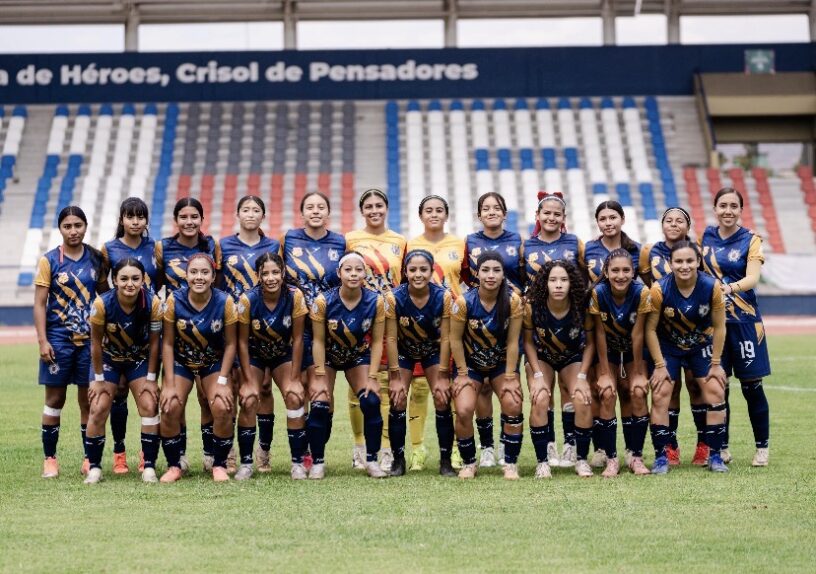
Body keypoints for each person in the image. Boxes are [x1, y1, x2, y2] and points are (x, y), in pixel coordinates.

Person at [35, 206, 108, 478]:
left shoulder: (96, 258)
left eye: (78, 225)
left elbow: (105, 298)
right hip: (58, 340)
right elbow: (40, 304)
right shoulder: (50, 261)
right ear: (60, 229)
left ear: (86, 226)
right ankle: (50, 459)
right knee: (55, 399)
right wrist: (43, 341)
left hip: (90, 342)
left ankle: (89, 459)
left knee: (88, 401)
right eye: (68, 226)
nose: (73, 231)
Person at [700, 188, 771, 467]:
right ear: (715, 208)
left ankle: (762, 448)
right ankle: (723, 447)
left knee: (752, 387)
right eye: (723, 205)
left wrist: (727, 289)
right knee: (720, 386)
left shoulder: (751, 239)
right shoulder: (705, 236)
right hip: (714, 324)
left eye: (733, 206)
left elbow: (752, 278)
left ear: (741, 210)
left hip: (745, 323)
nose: (727, 211)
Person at [309, 252, 394, 479]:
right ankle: (317, 461)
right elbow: (318, 341)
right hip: (328, 356)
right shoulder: (323, 301)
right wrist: (319, 376)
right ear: (339, 273)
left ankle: (372, 460)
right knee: (319, 404)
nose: (353, 274)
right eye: (348, 269)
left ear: (365, 273)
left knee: (371, 400)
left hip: (357, 355)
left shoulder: (375, 301)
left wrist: (373, 377)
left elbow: (377, 341)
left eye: (358, 269)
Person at [645, 241, 728, 474]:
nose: (684, 266)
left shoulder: (712, 286)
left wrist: (716, 364)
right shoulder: (659, 289)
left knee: (716, 391)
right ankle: (661, 456)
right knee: (660, 393)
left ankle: (715, 456)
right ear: (670, 263)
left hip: (700, 346)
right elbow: (649, 329)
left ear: (698, 262)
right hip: (668, 347)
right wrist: (659, 365)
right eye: (679, 261)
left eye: (690, 261)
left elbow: (720, 327)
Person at [155, 197, 221, 472]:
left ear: (202, 219)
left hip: (208, 331)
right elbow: (156, 284)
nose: (189, 221)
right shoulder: (163, 248)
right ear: (176, 220)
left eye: (194, 216)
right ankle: (179, 456)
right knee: (175, 400)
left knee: (207, 398)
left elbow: (219, 284)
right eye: (184, 216)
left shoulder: (211, 246)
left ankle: (210, 455)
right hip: (177, 328)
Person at [158, 253, 237, 482]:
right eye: (194, 272)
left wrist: (222, 381)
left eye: (204, 272)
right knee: (170, 406)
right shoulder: (174, 300)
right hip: (181, 362)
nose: (199, 277)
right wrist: (169, 384)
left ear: (213, 276)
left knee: (223, 406)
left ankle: (219, 464)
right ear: (186, 275)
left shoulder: (225, 301)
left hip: (212, 363)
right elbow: (167, 343)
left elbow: (231, 344)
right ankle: (174, 465)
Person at [522, 191, 586, 468]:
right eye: (546, 213)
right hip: (540, 326)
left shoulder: (574, 243)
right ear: (537, 216)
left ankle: (571, 446)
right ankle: (548, 447)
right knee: (542, 392)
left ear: (563, 217)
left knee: (570, 390)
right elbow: (517, 280)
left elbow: (584, 278)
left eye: (556, 214)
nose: (551, 217)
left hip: (569, 326)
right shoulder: (525, 246)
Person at [84, 258, 162, 484]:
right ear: (115, 280)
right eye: (124, 278)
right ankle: (94, 467)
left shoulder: (153, 303)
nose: (130, 283)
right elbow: (95, 344)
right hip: (109, 360)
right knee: (98, 407)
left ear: (143, 280)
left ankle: (149, 466)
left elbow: (155, 343)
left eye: (135, 278)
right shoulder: (102, 304)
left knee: (149, 405)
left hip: (139, 359)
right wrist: (98, 379)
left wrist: (151, 378)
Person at [282, 191, 346, 471]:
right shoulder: (288, 239)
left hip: (329, 329)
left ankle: (317, 447)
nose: (316, 211)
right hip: (296, 327)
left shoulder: (340, 242)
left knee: (323, 396)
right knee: (301, 390)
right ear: (302, 212)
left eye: (321, 207)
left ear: (328, 212)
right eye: (310, 207)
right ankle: (304, 454)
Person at [217, 195, 280, 473]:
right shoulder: (223, 245)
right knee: (233, 387)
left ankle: (263, 451)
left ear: (263, 216)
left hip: (265, 326)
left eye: (256, 210)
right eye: (246, 209)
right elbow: (218, 284)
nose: (251, 214)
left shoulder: (274, 245)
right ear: (237, 214)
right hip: (232, 325)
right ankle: (229, 451)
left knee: (264, 387)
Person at [345, 188, 406, 471]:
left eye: (378, 205)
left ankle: (385, 449)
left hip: (390, 317)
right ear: (362, 211)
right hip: (359, 319)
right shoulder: (351, 240)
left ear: (386, 208)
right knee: (357, 382)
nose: (374, 210)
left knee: (385, 380)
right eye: (368, 206)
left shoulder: (399, 241)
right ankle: (359, 448)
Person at [462, 192, 524, 469]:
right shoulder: (470, 241)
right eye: (485, 208)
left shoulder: (517, 240)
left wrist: (518, 297)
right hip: (479, 316)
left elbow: (523, 275)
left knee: (509, 390)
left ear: (504, 213)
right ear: (479, 214)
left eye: (496, 207)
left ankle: (504, 445)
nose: (491, 212)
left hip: (506, 316)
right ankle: (486, 447)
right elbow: (465, 276)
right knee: (482, 389)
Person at [450, 252, 524, 480]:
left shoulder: (513, 301)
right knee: (463, 409)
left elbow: (513, 341)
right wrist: (462, 374)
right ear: (477, 273)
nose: (491, 275)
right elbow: (454, 339)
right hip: (470, 365)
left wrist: (510, 377)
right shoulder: (464, 302)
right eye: (485, 270)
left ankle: (510, 463)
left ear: (503, 275)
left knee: (513, 403)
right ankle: (469, 463)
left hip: (500, 365)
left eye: (496, 270)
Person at [639, 207, 705, 466]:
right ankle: (670, 446)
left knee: (696, 385)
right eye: (669, 220)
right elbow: (646, 283)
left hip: (694, 332)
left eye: (680, 221)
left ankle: (704, 445)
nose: (674, 224)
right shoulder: (649, 251)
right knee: (669, 387)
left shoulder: (696, 250)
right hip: (664, 333)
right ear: (662, 224)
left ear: (688, 226)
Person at [405, 195, 464, 471]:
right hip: (419, 327)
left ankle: (456, 449)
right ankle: (417, 449)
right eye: (428, 210)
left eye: (439, 210)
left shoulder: (459, 244)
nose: (434, 214)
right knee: (418, 388)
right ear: (420, 215)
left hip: (451, 325)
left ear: (446, 215)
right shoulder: (411, 245)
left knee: (448, 389)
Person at [384, 249, 456, 477]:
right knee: (397, 399)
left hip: (432, 351)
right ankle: (398, 461)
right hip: (404, 351)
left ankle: (446, 461)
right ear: (405, 272)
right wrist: (394, 377)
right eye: (412, 269)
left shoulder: (443, 296)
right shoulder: (393, 298)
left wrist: (443, 374)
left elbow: (447, 338)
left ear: (432, 271)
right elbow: (391, 339)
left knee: (442, 398)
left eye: (423, 269)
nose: (418, 274)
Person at [99, 197, 158, 474]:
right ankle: (119, 451)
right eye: (130, 216)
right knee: (118, 392)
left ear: (146, 220)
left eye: (140, 217)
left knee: (148, 395)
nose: (135, 222)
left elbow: (161, 282)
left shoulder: (155, 247)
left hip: (147, 330)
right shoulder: (108, 249)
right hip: (117, 331)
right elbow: (102, 287)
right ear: (121, 219)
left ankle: (148, 454)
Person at [237, 253, 308, 480]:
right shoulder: (247, 299)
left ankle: (297, 462)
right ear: (258, 276)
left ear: (283, 273)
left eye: (275, 272)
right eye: (265, 273)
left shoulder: (295, 296)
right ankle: (247, 463)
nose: (271, 278)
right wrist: (248, 381)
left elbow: (298, 338)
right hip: (254, 354)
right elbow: (241, 342)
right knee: (249, 399)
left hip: (282, 354)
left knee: (295, 396)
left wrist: (295, 378)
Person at [523, 261, 596, 478]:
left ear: (571, 283)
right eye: (553, 280)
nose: (558, 285)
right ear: (544, 283)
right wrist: (537, 375)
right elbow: (527, 342)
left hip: (571, 357)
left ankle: (581, 459)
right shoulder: (532, 305)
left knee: (582, 398)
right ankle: (542, 462)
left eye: (564, 280)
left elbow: (590, 343)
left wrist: (582, 376)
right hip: (542, 357)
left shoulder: (581, 305)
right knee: (540, 398)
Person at [588, 249, 652, 476]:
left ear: (633, 272)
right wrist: (605, 372)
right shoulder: (598, 293)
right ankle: (612, 459)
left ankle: (636, 457)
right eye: (615, 270)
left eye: (626, 270)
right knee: (607, 392)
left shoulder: (642, 292)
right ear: (606, 272)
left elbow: (638, 334)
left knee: (638, 391)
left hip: (634, 350)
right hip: (608, 351)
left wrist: (638, 371)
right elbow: (599, 334)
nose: (621, 275)